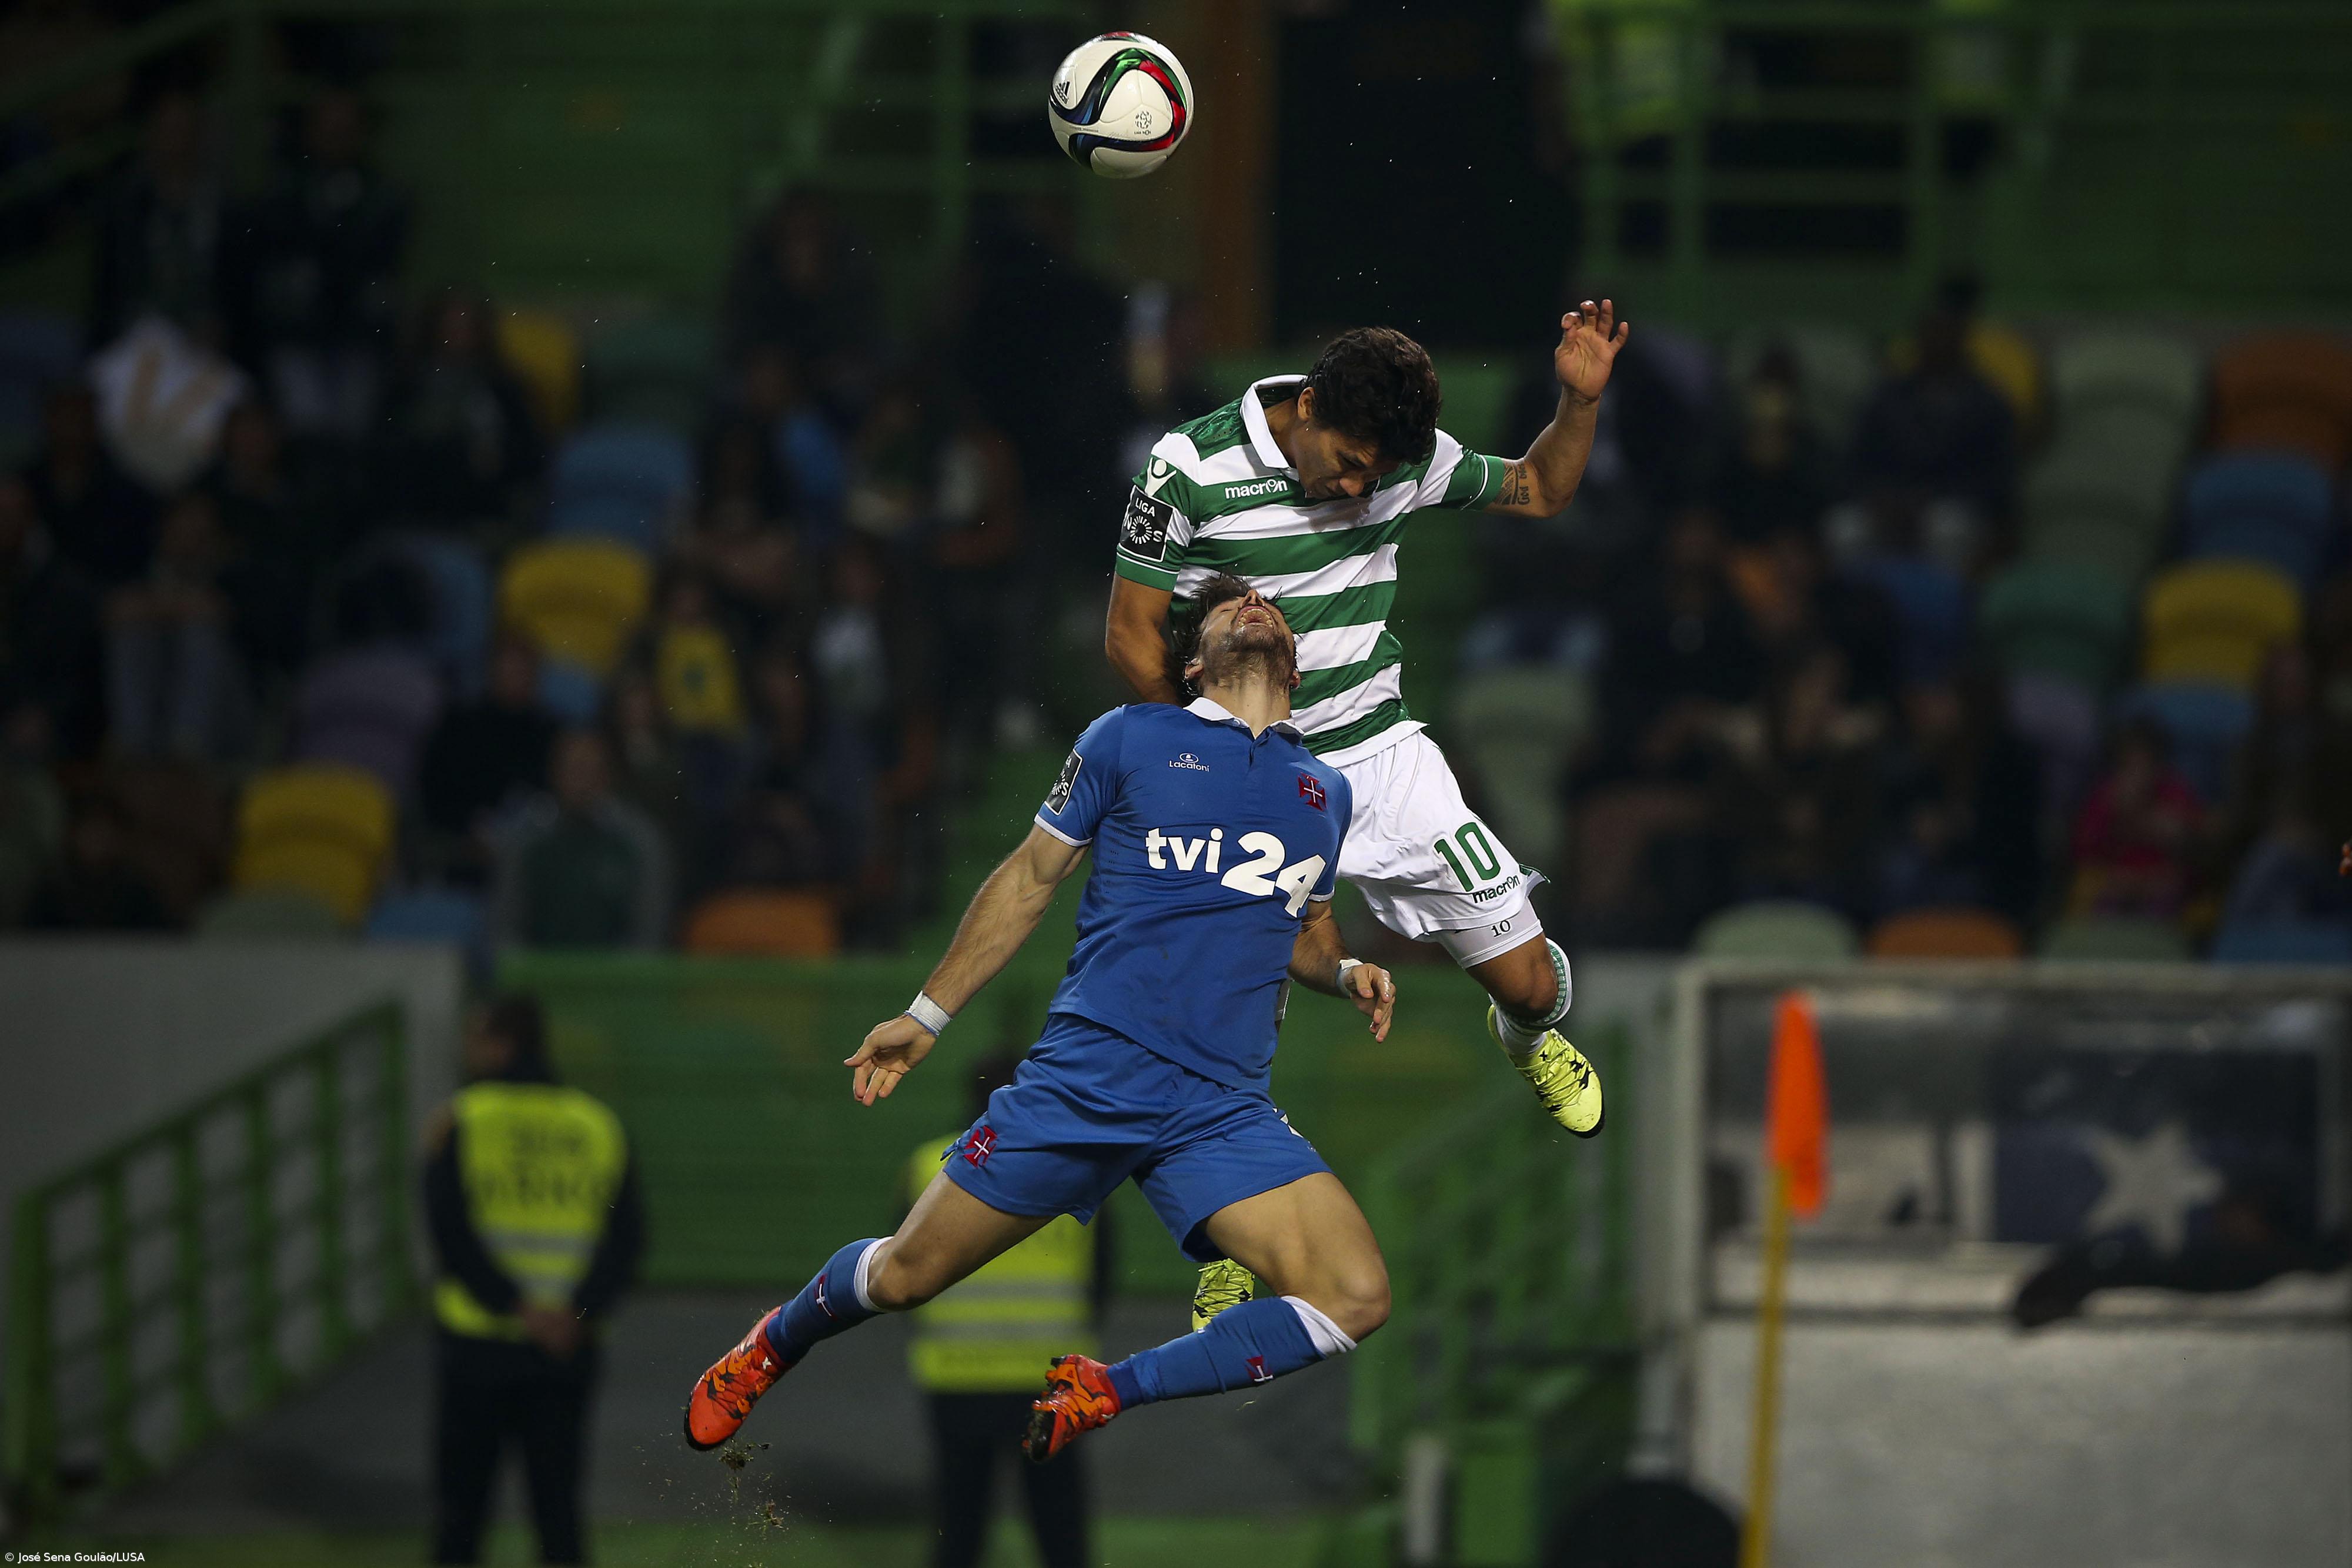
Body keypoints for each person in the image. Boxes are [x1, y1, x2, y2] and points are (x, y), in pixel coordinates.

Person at [683, 578, 1397, 1465]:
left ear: (1292, 658)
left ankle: (1107, 1387)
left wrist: (1347, 967)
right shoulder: (1130, 737)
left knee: (1356, 1294)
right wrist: (926, 1013)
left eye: (1265, 604)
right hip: (1088, 1078)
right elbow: (1028, 878)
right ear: (1191, 661)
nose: (1249, 603)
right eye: (1225, 607)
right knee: (906, 1275)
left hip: (1220, 1107)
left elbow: (1303, 930)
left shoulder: (1322, 791)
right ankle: (774, 1342)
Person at [1102, 310, 1628, 1142]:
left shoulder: (1404, 462)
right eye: (1347, 464)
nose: (1357, 488)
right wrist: (1211, 759)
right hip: (1249, 778)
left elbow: (1543, 487)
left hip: (1383, 760)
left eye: (1373, 475)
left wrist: (1578, 402)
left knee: (1532, 984)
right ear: (1307, 406)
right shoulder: (1187, 467)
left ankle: (1525, 1037)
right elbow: (1131, 632)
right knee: (1219, 1039)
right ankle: (1226, 1250)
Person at [424, 994, 644, 1566]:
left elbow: (448, 1233)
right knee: (559, 1511)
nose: (469, 1051)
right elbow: (627, 1242)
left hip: (478, 1343)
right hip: (567, 1348)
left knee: (460, 1514)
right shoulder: (596, 1124)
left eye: (477, 1038)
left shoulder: (461, 1118)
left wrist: (515, 1306)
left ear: (501, 1043)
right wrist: (571, 1316)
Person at [907, 1052, 1111, 1568]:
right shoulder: (1078, 1165)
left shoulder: (929, 1164)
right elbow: (1101, 1273)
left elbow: (900, 1271)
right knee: (1060, 1526)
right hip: (1053, 1379)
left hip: (957, 1375)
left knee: (959, 1524)